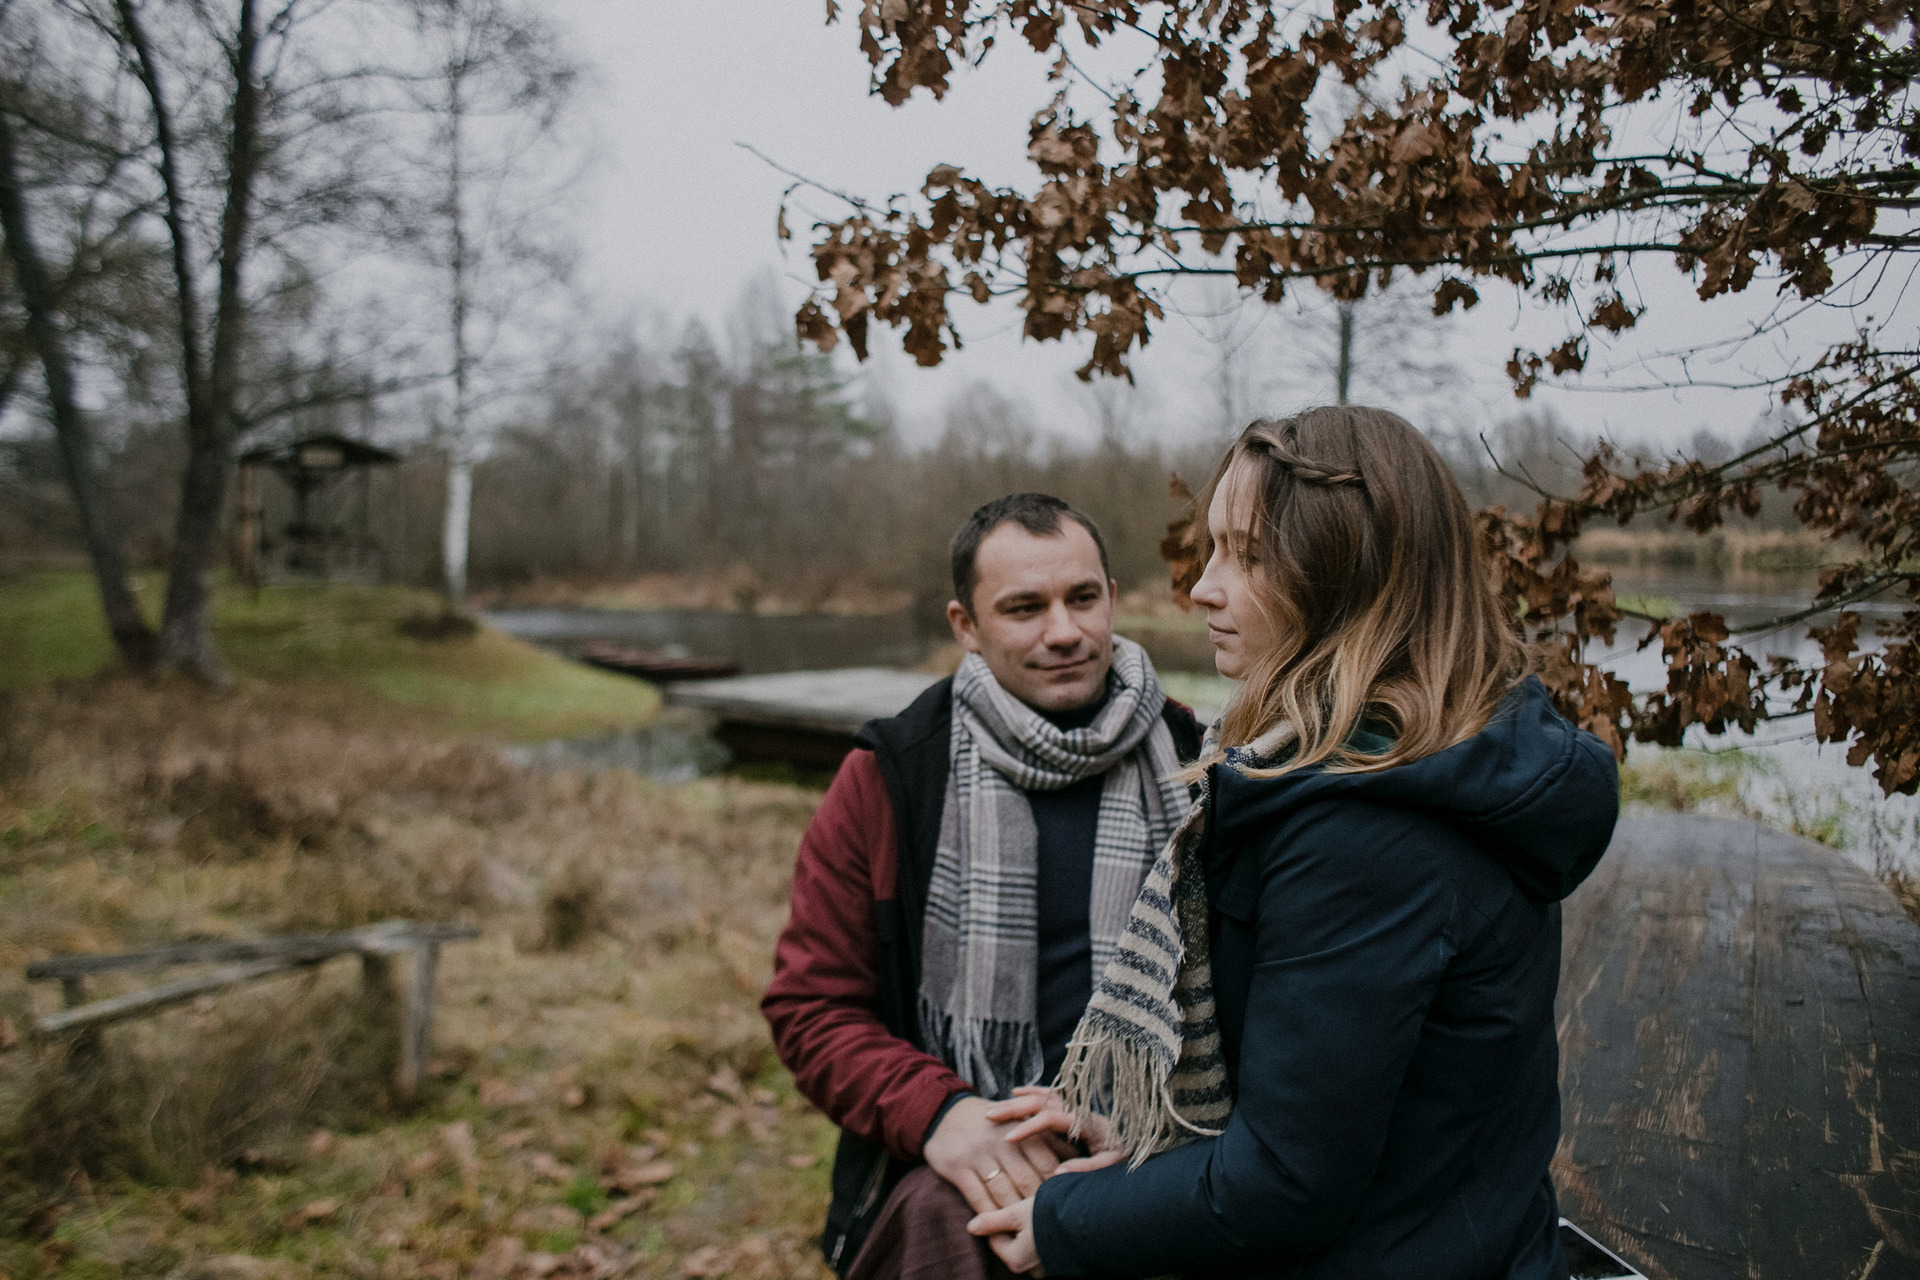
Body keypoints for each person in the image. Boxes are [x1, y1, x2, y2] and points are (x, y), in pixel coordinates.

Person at [967, 407, 1620, 1279]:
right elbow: (1332, 1099)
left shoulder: (1368, 827)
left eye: (1246, 555)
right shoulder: (1417, 762)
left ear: (1344, 574)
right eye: (1212, 550)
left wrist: (1065, 1220)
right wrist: (1148, 1130)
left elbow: (1286, 1181)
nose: (1203, 587)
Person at [763, 493, 1205, 1278]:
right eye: (1024, 608)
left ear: (1113, 598)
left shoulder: (1200, 763)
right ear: (966, 627)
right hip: (962, 1170)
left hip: (1163, 1155)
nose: (1063, 632)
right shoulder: (891, 778)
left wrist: (1138, 1128)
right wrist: (939, 1113)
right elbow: (813, 1007)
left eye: (1082, 598)